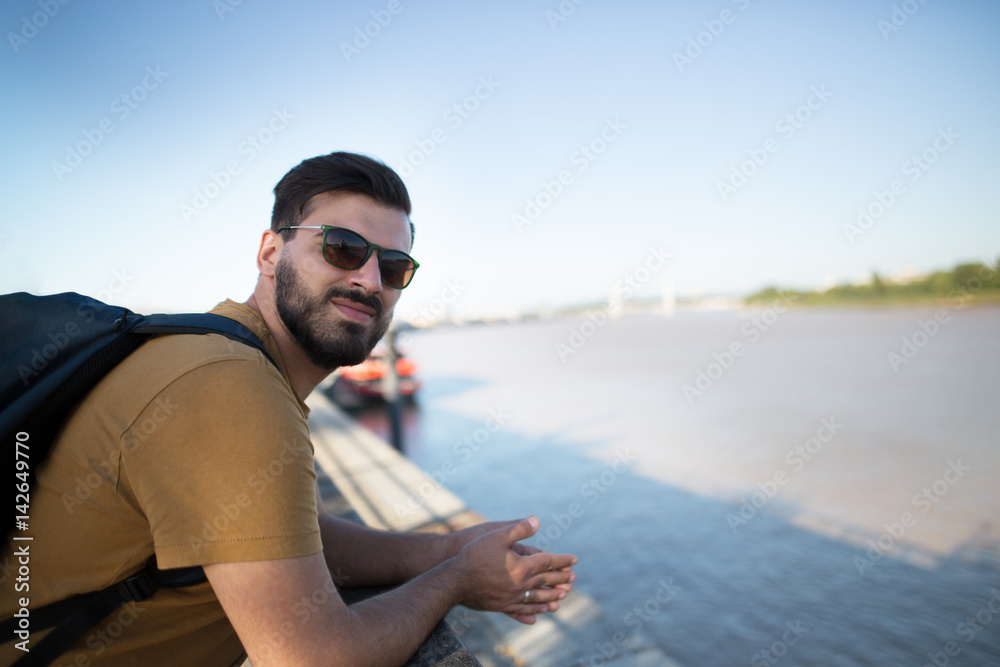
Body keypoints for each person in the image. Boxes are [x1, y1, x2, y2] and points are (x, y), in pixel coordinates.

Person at [0, 152, 577, 666]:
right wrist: (456, 579)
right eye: (343, 248)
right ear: (271, 251)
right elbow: (310, 657)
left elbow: (296, 534)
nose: (370, 280)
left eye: (394, 267)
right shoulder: (227, 387)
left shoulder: (218, 353)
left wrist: (450, 545)